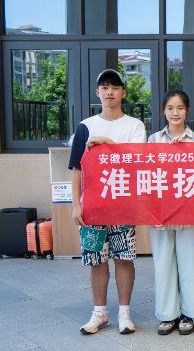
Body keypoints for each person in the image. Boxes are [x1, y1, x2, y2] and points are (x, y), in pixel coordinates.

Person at [68, 69, 146, 335]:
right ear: (97, 93)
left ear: (123, 92)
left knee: (124, 258)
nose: (110, 92)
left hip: (123, 205)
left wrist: (107, 143)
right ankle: (99, 313)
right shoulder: (85, 126)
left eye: (115, 87)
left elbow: (137, 161)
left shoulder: (135, 126)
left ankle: (125, 313)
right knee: (96, 260)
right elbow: (77, 169)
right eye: (105, 87)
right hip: (92, 208)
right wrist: (76, 204)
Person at [147, 89, 194, 336]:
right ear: (164, 111)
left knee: (188, 263)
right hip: (160, 212)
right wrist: (152, 212)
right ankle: (167, 315)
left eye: (180, 108)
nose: (175, 113)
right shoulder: (153, 140)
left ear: (187, 111)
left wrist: (183, 152)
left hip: (188, 211)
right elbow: (147, 176)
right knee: (163, 264)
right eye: (170, 108)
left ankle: (188, 313)